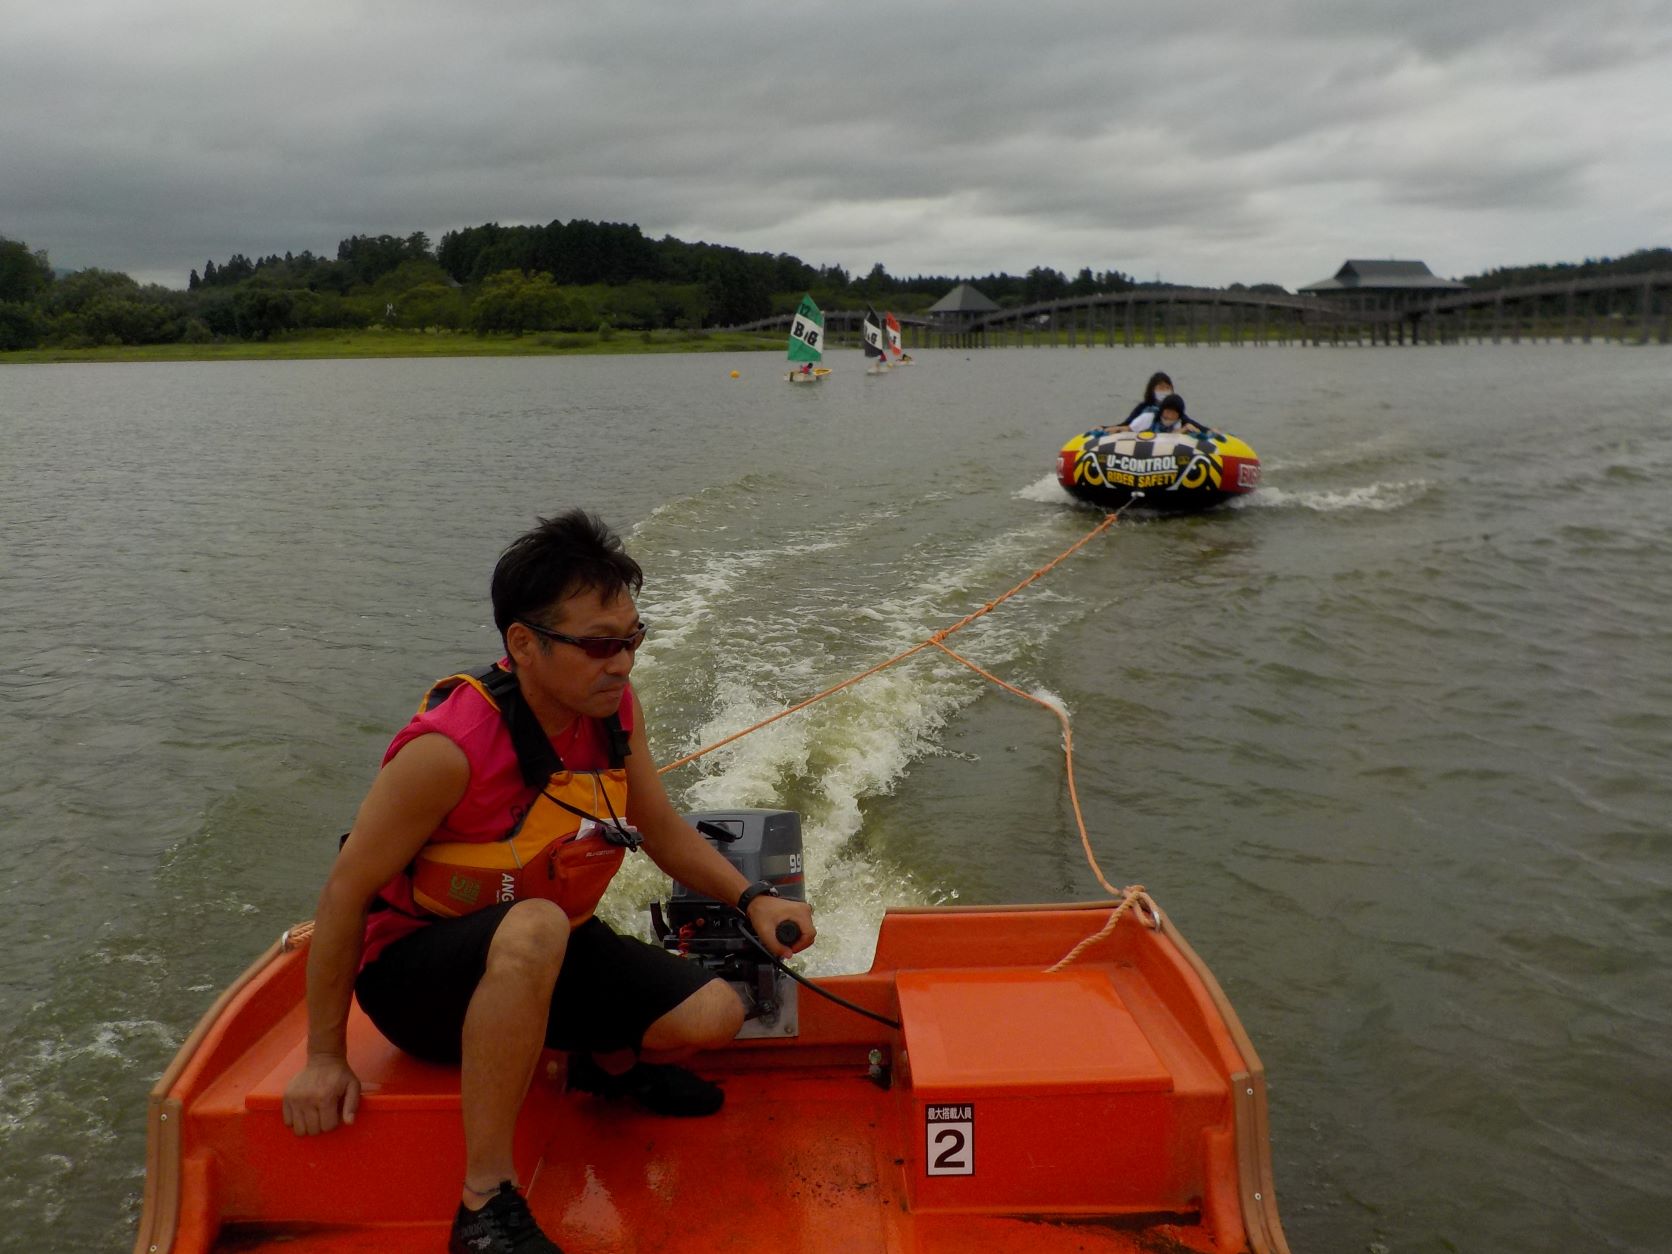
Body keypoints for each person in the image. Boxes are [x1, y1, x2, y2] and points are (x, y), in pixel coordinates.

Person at [282, 509, 815, 1254]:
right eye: (600, 645)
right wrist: (325, 1058)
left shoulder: (612, 712)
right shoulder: (450, 750)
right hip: (418, 975)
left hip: (541, 945)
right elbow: (345, 891)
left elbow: (659, 831)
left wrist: (755, 900)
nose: (622, 662)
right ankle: (483, 1203)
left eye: (632, 639)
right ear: (523, 644)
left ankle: (605, 1064)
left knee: (714, 1015)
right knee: (534, 924)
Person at [1129, 393, 1203, 436]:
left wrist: (1190, 430)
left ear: (1179, 416)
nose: (1169, 417)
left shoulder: (1178, 424)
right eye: (1167, 412)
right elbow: (1129, 429)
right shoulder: (1148, 417)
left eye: (1173, 414)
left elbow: (1172, 437)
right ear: (1162, 411)